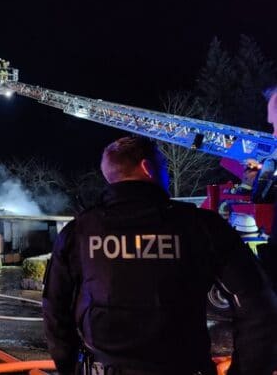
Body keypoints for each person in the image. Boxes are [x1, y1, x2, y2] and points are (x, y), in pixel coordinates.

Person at [42, 136, 277, 375]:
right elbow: (259, 306)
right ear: (147, 167)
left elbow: (55, 313)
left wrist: (70, 367)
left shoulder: (78, 233)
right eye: (164, 167)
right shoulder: (203, 227)